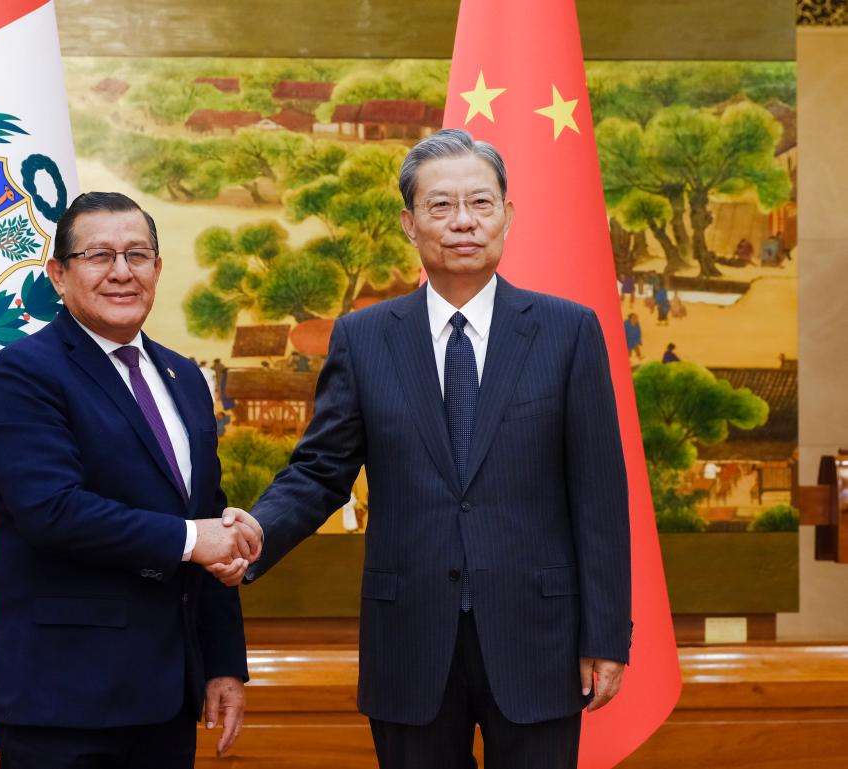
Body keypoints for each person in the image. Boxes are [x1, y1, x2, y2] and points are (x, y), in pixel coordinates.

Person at [225, 130, 631, 769]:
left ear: (507, 215)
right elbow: (321, 470)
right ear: (410, 224)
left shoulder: (568, 331)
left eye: (481, 203)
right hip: (409, 637)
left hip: (539, 638)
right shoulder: (364, 339)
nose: (463, 222)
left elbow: (600, 496)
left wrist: (606, 636)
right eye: (441, 207)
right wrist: (255, 531)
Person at [0, 192, 262, 768]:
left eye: (138, 255)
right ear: (58, 274)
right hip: (64, 698)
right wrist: (191, 539)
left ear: (157, 269)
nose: (122, 272)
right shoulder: (24, 372)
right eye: (100, 255)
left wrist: (223, 661)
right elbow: (51, 510)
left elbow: (208, 513)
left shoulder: (182, 376)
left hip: (168, 697)